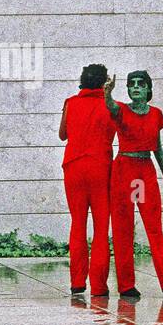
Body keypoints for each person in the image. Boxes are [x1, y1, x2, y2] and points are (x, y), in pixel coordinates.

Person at [103, 70, 163, 299]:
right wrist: (107, 94)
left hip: (145, 171)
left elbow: (158, 147)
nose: (135, 87)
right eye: (131, 84)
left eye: (140, 84)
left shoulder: (156, 114)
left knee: (154, 227)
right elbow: (112, 107)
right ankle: (126, 285)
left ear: (147, 89)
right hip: (124, 169)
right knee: (123, 227)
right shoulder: (121, 110)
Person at [59, 64, 116, 296]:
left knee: (78, 224)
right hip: (101, 169)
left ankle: (77, 282)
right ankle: (99, 286)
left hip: (74, 168)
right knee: (101, 228)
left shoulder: (70, 103)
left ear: (82, 80)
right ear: (105, 82)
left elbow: (63, 135)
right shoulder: (112, 106)